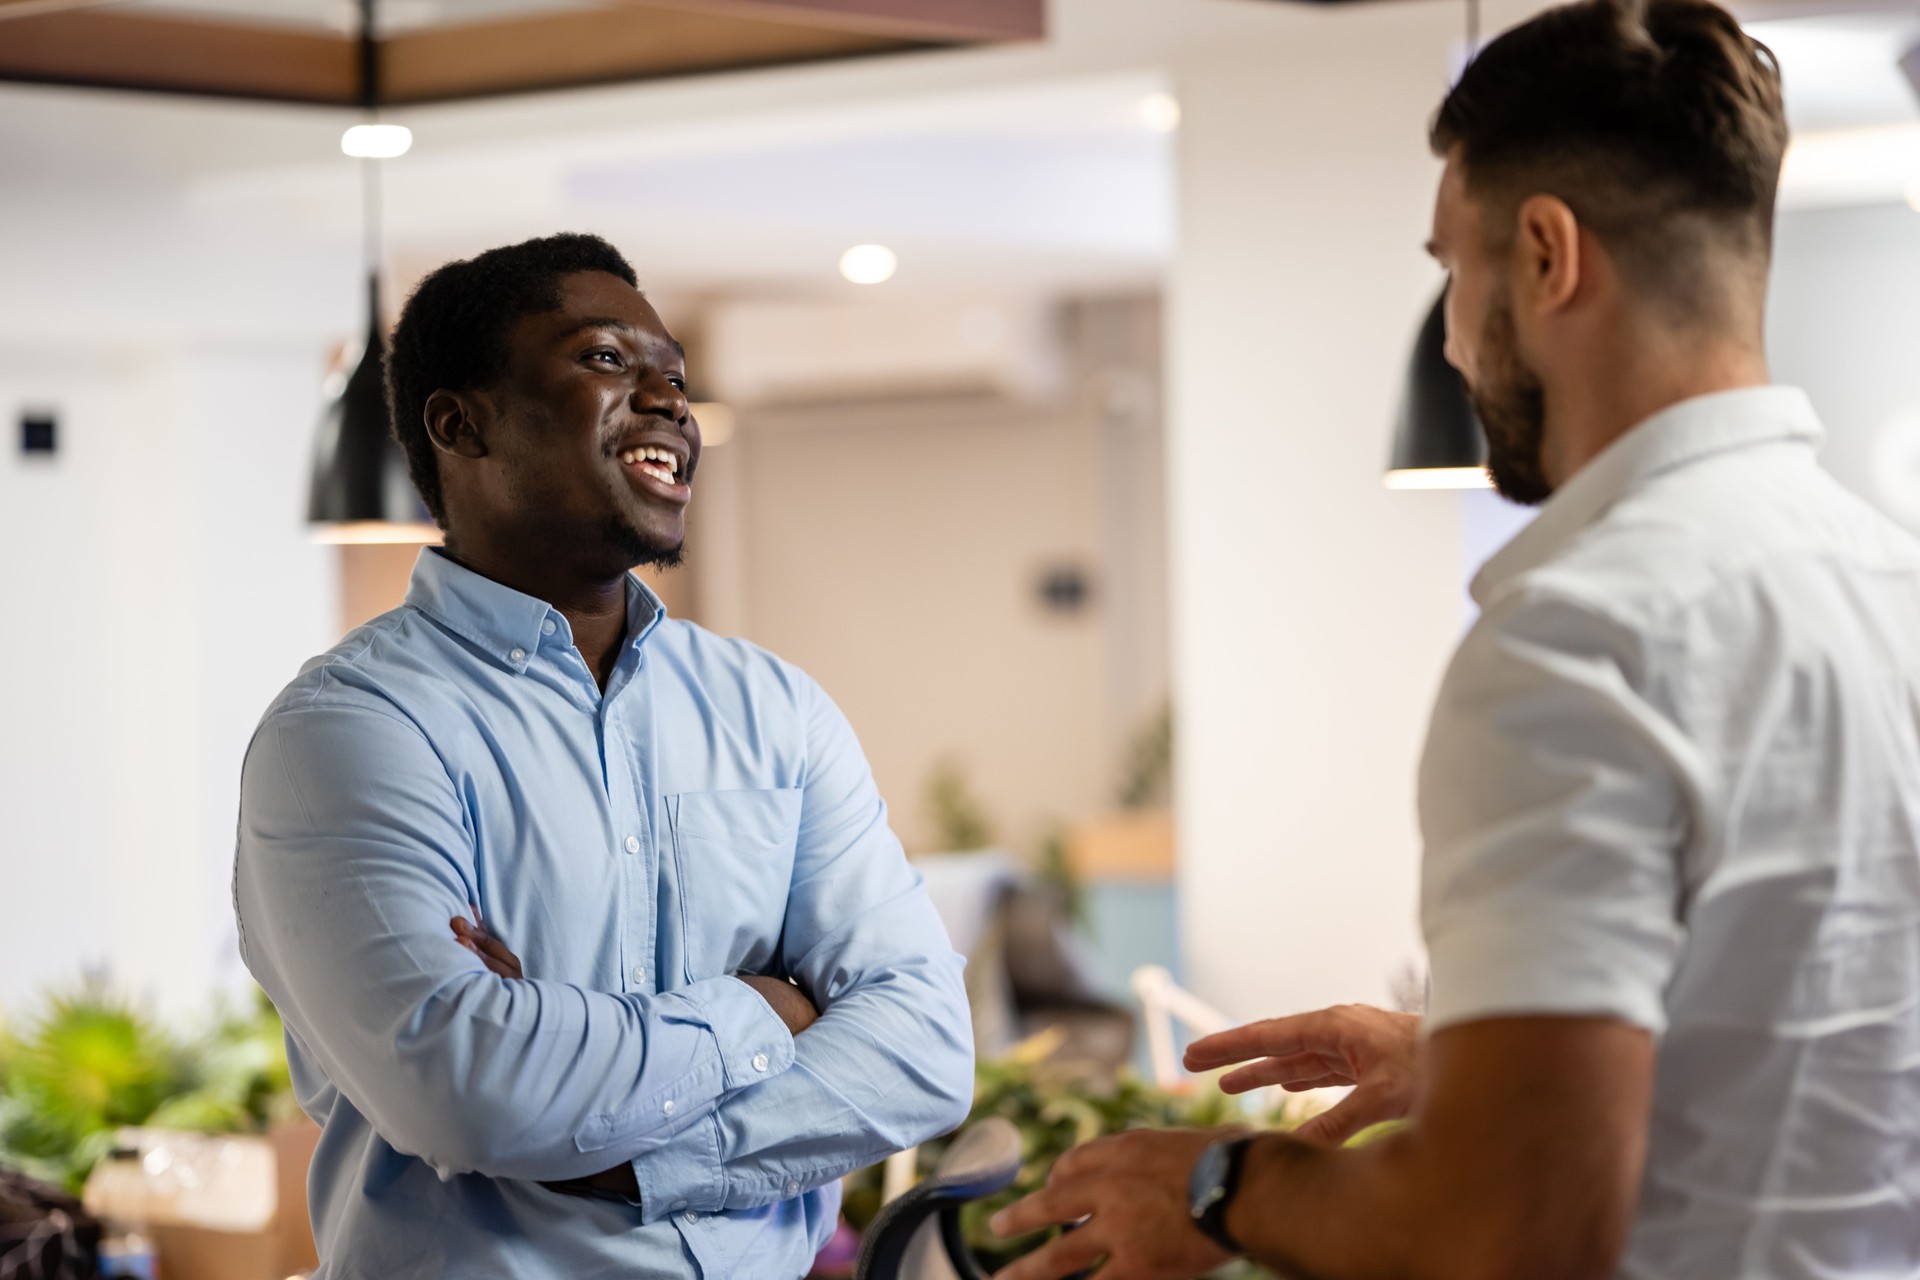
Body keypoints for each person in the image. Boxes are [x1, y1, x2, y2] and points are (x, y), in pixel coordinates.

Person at [990, 2, 1920, 1277]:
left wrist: (1221, 1182)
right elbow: (1824, 1025)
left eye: (1452, 267)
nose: (1446, 332)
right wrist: (1479, 1063)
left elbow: (1507, 1226)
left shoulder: (1578, 638)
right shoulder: (1892, 582)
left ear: (1545, 254)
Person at [233, 233, 975, 1279]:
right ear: (462, 421)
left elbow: (924, 1048)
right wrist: (763, 1007)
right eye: (608, 360)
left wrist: (638, 1157)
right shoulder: (350, 730)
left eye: (675, 372)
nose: (670, 398)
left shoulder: (773, 709)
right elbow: (468, 1085)